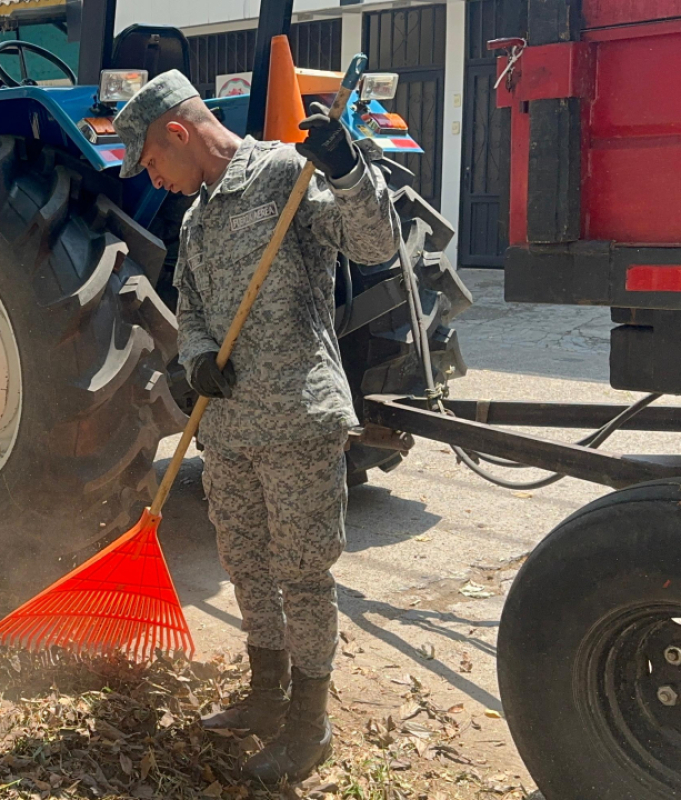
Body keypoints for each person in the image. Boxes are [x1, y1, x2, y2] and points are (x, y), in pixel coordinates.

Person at [113, 70, 398, 784]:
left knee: (303, 576)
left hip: (299, 417)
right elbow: (196, 304)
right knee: (246, 567)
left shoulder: (285, 176)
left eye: (150, 162)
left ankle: (310, 723)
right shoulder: (195, 217)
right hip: (231, 428)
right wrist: (201, 355)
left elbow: (376, 243)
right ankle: (266, 696)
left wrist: (348, 168)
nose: (155, 178)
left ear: (176, 133)